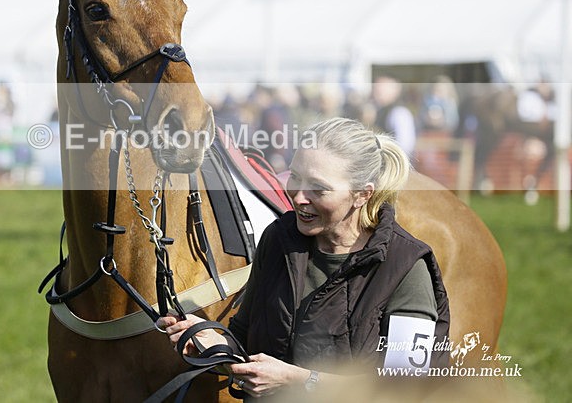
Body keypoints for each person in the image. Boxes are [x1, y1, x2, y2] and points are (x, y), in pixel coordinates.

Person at [159, 117, 450, 399]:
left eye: (318, 188)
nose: (298, 197)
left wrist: (297, 381)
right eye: (295, 177)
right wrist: (212, 342)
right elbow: (245, 336)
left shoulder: (407, 266)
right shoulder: (278, 240)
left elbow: (407, 386)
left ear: (362, 194)